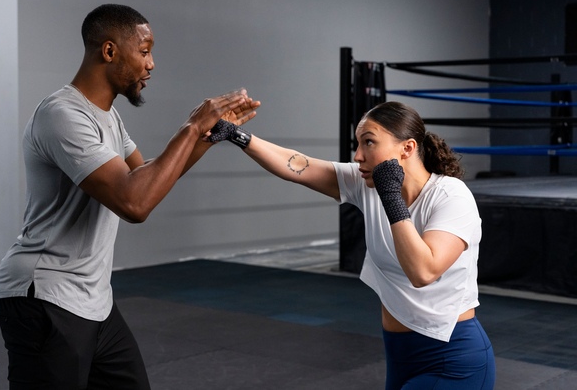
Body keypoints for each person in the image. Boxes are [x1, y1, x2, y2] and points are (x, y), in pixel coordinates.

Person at [0, 3, 260, 389]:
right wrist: (190, 127)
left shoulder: (109, 117)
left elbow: (147, 176)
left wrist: (206, 137)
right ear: (109, 51)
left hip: (94, 299)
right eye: (145, 51)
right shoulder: (62, 115)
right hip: (45, 294)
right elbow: (134, 203)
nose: (151, 64)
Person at [210, 101, 496, 389]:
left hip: (453, 357)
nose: (358, 155)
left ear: (407, 148)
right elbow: (297, 165)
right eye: (358, 144)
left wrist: (390, 196)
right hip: (400, 355)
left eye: (369, 142)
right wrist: (236, 135)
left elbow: (423, 272)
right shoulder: (365, 183)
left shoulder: (450, 196)